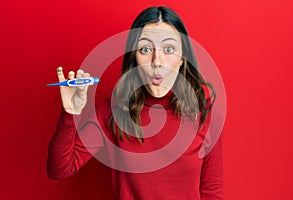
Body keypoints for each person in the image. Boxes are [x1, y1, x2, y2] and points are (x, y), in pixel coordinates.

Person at [47, 6, 224, 199]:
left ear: (182, 58)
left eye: (169, 49)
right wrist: (71, 112)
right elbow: (59, 169)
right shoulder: (114, 111)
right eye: (145, 49)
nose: (157, 61)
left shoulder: (206, 113)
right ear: (134, 57)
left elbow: (212, 192)